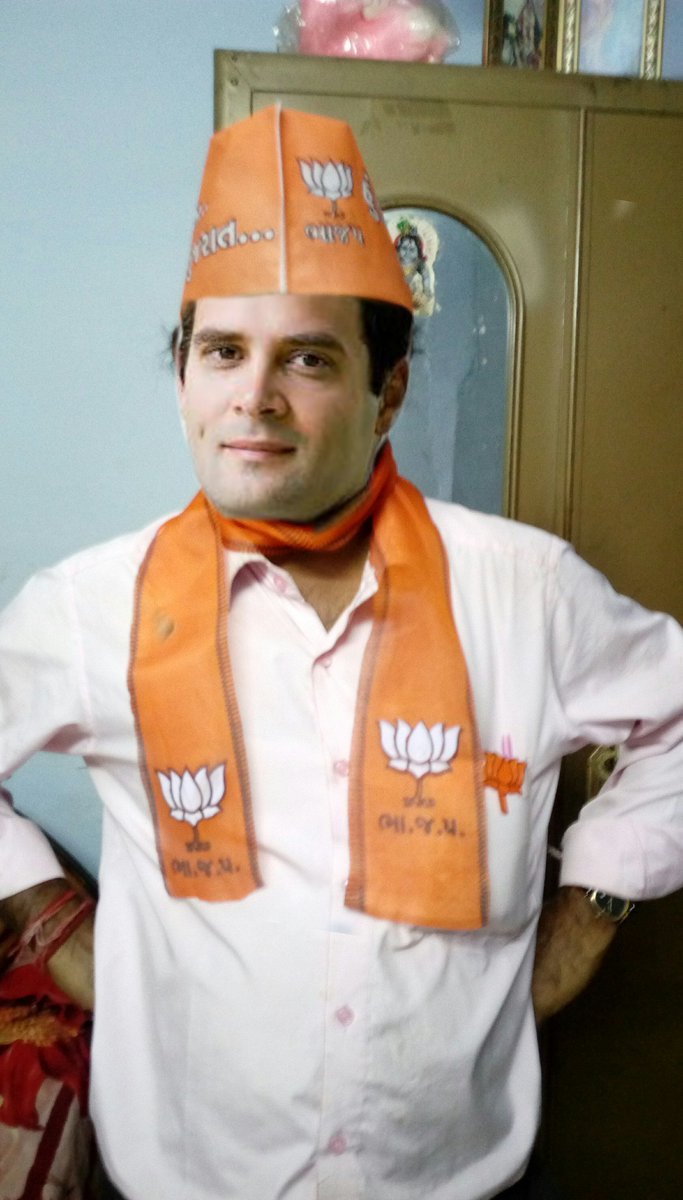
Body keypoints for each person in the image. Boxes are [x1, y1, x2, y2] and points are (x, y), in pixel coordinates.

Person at [1, 104, 682, 1200]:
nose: (253, 397)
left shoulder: (525, 593)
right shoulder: (90, 606)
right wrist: (40, 909)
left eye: (307, 358)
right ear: (183, 376)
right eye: (223, 352)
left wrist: (596, 901)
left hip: (455, 1176)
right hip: (186, 1177)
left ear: (387, 393)